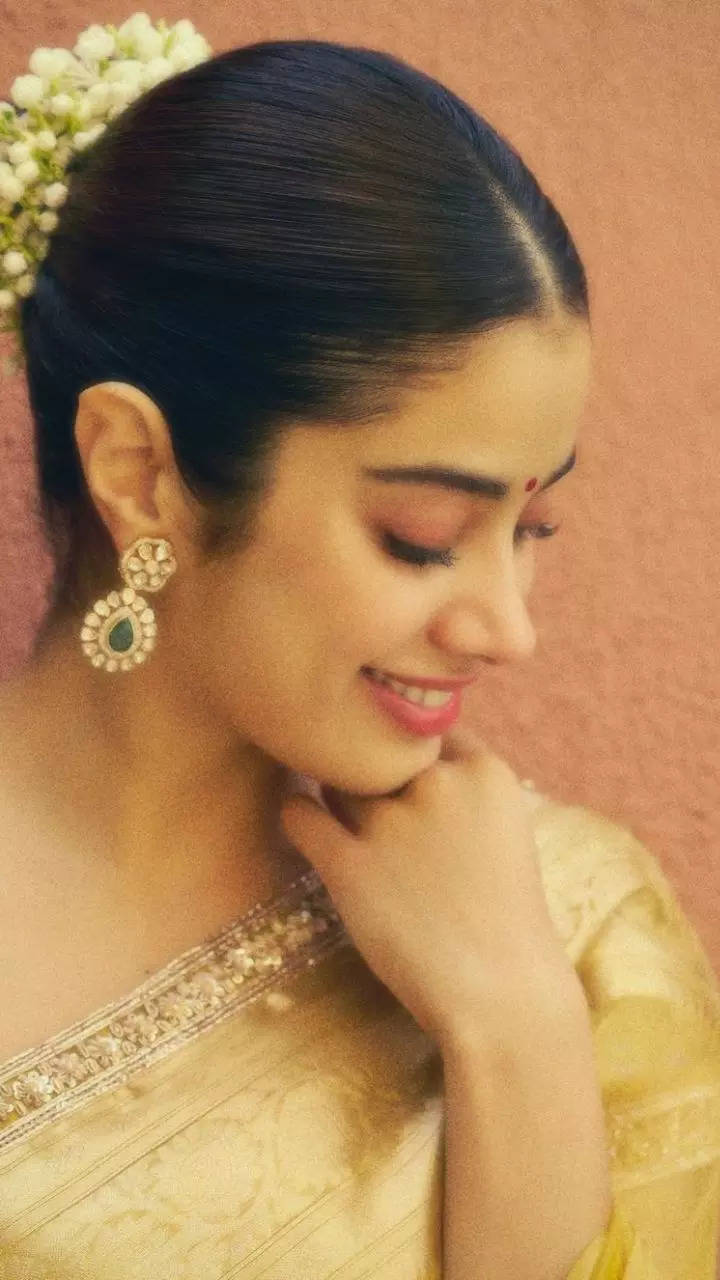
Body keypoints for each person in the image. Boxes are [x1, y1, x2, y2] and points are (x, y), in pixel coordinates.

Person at [0, 26, 718, 1279]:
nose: (510, 627)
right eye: (423, 535)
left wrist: (515, 1031)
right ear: (139, 470)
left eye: (532, 524)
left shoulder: (586, 936)